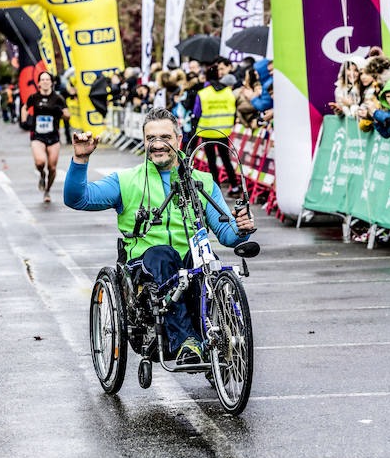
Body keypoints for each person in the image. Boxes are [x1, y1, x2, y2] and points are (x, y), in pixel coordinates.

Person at [64, 107, 255, 365]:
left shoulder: (202, 181)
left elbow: (225, 233)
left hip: (190, 262)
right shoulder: (127, 181)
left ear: (179, 140)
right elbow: (77, 198)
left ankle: (214, 339)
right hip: (146, 265)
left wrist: (241, 229)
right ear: (144, 141)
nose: (157, 144)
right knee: (164, 255)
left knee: (206, 264)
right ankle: (186, 341)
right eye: (150, 138)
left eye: (165, 137)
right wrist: (80, 160)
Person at [192, 63, 242, 196]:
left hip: (207, 131)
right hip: (223, 132)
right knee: (226, 159)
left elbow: (197, 112)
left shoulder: (203, 93)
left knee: (211, 161)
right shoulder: (228, 93)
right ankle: (235, 186)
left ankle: (217, 187)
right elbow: (233, 110)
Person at [22, 71, 70, 203]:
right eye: (42, 79)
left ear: (52, 82)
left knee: (52, 168)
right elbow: (24, 108)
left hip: (53, 137)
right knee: (40, 162)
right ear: (38, 83)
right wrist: (24, 120)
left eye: (47, 79)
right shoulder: (34, 97)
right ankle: (42, 174)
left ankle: (47, 190)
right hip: (38, 136)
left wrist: (60, 112)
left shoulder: (58, 98)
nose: (45, 82)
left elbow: (68, 115)